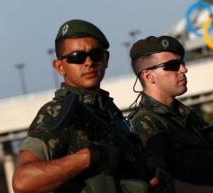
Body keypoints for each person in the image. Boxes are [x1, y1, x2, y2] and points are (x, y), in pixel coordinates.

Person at [12, 20, 171, 193]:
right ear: (59, 67)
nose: (89, 62)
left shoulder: (108, 110)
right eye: (76, 57)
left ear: (106, 59)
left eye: (96, 54)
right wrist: (87, 158)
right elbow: (23, 181)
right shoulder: (58, 112)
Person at [128, 35, 213, 193]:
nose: (183, 69)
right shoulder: (145, 124)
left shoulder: (186, 116)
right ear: (148, 76)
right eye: (173, 65)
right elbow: (159, 184)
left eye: (182, 63)